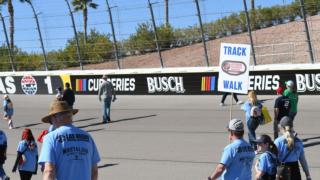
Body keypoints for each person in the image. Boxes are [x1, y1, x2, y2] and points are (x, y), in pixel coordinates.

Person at [38, 100, 100, 180]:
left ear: (55, 118)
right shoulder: (87, 137)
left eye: (50, 121)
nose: (52, 123)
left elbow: (49, 171)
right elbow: (94, 172)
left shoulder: (50, 138)